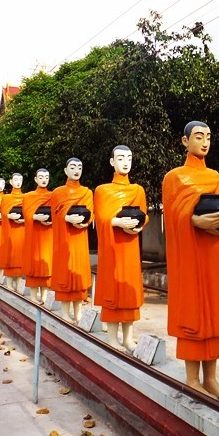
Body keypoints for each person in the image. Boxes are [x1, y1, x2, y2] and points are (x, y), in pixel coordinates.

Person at [162, 121, 219, 399]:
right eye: (198, 136)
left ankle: (211, 378)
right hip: (188, 255)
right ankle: (192, 378)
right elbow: (171, 216)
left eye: (208, 137)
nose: (204, 142)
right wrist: (192, 219)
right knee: (193, 311)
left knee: (213, 313)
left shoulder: (217, 177)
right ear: (184, 141)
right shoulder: (174, 178)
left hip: (212, 252)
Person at [94, 145, 147, 351]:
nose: (125, 162)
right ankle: (112, 337)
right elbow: (100, 218)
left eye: (129, 158)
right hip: (112, 247)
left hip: (130, 245)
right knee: (113, 288)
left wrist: (138, 225)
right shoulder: (102, 190)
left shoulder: (138, 190)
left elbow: (144, 213)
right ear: (112, 162)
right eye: (121, 158)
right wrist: (117, 223)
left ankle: (128, 337)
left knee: (129, 289)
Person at [49, 158, 94, 323]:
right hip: (64, 239)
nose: (77, 170)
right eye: (73, 167)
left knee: (79, 274)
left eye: (80, 167)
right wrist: (66, 217)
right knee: (65, 273)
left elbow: (91, 214)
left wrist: (84, 220)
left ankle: (79, 312)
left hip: (79, 238)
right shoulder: (58, 193)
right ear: (65, 171)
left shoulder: (87, 192)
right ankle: (65, 312)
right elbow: (55, 214)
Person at [22, 169, 54, 303]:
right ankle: (34, 296)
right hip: (34, 234)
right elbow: (26, 213)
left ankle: (45, 297)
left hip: (48, 234)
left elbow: (57, 211)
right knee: (34, 263)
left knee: (47, 264)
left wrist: (52, 219)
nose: (44, 179)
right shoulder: (29, 196)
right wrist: (34, 216)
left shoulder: (53, 195)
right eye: (41, 177)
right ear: (35, 179)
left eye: (46, 177)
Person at [0, 173, 25, 290]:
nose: (18, 182)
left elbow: (28, 211)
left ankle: (19, 283)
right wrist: (9, 215)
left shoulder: (26, 197)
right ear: (11, 182)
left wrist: (24, 218)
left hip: (21, 230)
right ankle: (9, 284)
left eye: (20, 179)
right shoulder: (6, 198)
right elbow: (3, 212)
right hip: (10, 230)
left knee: (20, 256)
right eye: (15, 179)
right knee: (11, 255)